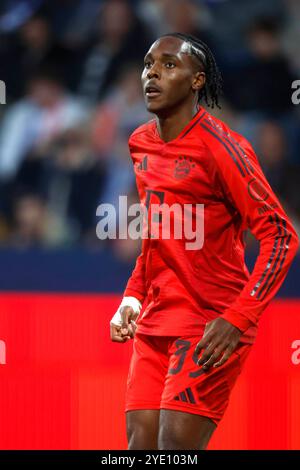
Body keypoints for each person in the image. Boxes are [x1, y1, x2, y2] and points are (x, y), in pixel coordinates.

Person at [110, 33, 299, 450]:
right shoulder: (140, 142)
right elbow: (158, 237)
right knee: (139, 450)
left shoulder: (222, 147)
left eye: (169, 65)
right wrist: (132, 297)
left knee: (172, 450)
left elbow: (282, 236)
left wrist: (238, 318)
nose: (152, 74)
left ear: (197, 81)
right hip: (156, 321)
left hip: (209, 324)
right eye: (147, 64)